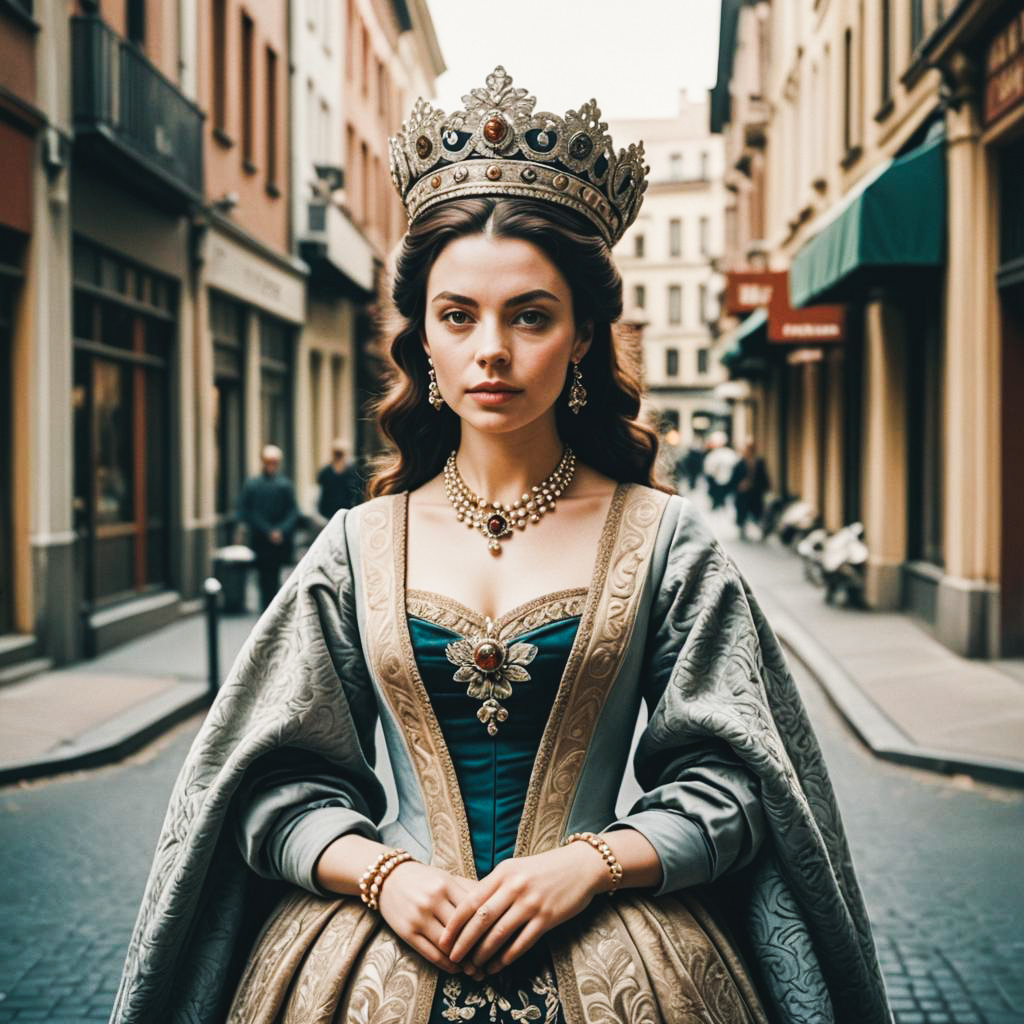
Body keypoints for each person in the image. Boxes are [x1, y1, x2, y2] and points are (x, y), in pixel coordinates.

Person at [110, 68, 890, 1024]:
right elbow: (266, 779)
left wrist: (593, 863)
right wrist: (381, 874)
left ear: (582, 337)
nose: (492, 350)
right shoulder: (358, 546)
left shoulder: (665, 542)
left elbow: (740, 780)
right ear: (424, 342)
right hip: (370, 966)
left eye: (529, 315)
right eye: (457, 316)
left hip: (626, 971)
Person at [236, 444, 299, 611]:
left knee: (275, 573)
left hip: (278, 539)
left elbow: (292, 511)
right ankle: (266, 606)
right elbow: (247, 511)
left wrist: (281, 530)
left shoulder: (284, 485)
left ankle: (273, 606)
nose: (271, 465)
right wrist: (267, 530)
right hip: (261, 539)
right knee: (263, 574)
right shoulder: (253, 484)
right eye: (268, 462)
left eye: (274, 462)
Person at [731, 439, 771, 539]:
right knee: (742, 510)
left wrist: (764, 487)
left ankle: (761, 529)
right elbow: (734, 478)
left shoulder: (759, 462)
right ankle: (742, 529)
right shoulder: (740, 463)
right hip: (743, 493)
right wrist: (739, 486)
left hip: (755, 492)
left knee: (757, 511)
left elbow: (763, 476)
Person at [317, 440, 364, 519]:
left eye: (340, 453)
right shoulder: (326, 472)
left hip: (348, 512)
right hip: (330, 513)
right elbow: (322, 492)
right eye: (337, 453)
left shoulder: (353, 471)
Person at [703, 430, 739, 509]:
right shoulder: (729, 454)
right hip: (718, 483)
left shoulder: (716, 455)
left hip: (723, 483)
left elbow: (708, 470)